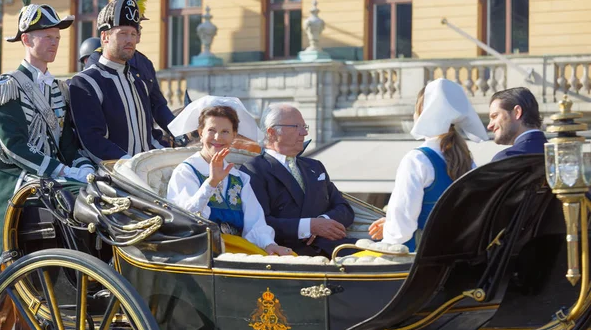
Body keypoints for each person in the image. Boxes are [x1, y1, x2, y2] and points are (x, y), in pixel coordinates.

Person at [0, 0, 95, 270]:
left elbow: (67, 140)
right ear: (26, 39)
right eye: (48, 37)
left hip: (54, 177)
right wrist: (61, 170)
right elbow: (14, 148)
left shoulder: (57, 87)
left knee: (99, 192)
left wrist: (83, 167)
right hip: (18, 180)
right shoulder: (6, 86)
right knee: (74, 198)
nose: (55, 43)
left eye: (57, 37)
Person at [368, 79, 488, 251]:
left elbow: (400, 230)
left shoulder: (417, 160)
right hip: (457, 255)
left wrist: (389, 228)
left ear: (422, 112)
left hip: (419, 260)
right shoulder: (469, 161)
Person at [166, 96, 292, 256]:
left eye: (225, 132)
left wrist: (268, 244)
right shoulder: (186, 171)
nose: (218, 138)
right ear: (201, 133)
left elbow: (255, 222)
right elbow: (185, 219)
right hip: (202, 251)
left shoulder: (240, 178)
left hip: (237, 249)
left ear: (233, 136)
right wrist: (211, 183)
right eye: (211, 130)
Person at [241, 104, 355, 258]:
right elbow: (258, 224)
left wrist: (323, 222)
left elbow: (344, 209)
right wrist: (309, 227)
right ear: (272, 132)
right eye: (297, 127)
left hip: (337, 248)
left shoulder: (315, 167)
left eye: (304, 126)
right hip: (291, 255)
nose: (305, 132)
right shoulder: (254, 170)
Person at [69, 0, 159, 163]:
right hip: (110, 178)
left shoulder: (138, 81)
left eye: (133, 34)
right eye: (123, 33)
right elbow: (92, 140)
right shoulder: (85, 82)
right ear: (105, 37)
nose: (130, 40)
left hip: (143, 174)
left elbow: (148, 136)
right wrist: (129, 163)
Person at [85, 28, 176, 146]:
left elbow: (158, 106)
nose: (134, 33)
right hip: (114, 144)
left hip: (149, 140)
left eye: (135, 29)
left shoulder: (145, 62)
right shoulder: (98, 57)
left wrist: (179, 131)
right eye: (124, 32)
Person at [488, 87, 546, 162]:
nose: (489, 126)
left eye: (495, 116)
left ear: (517, 112)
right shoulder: (557, 155)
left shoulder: (506, 159)